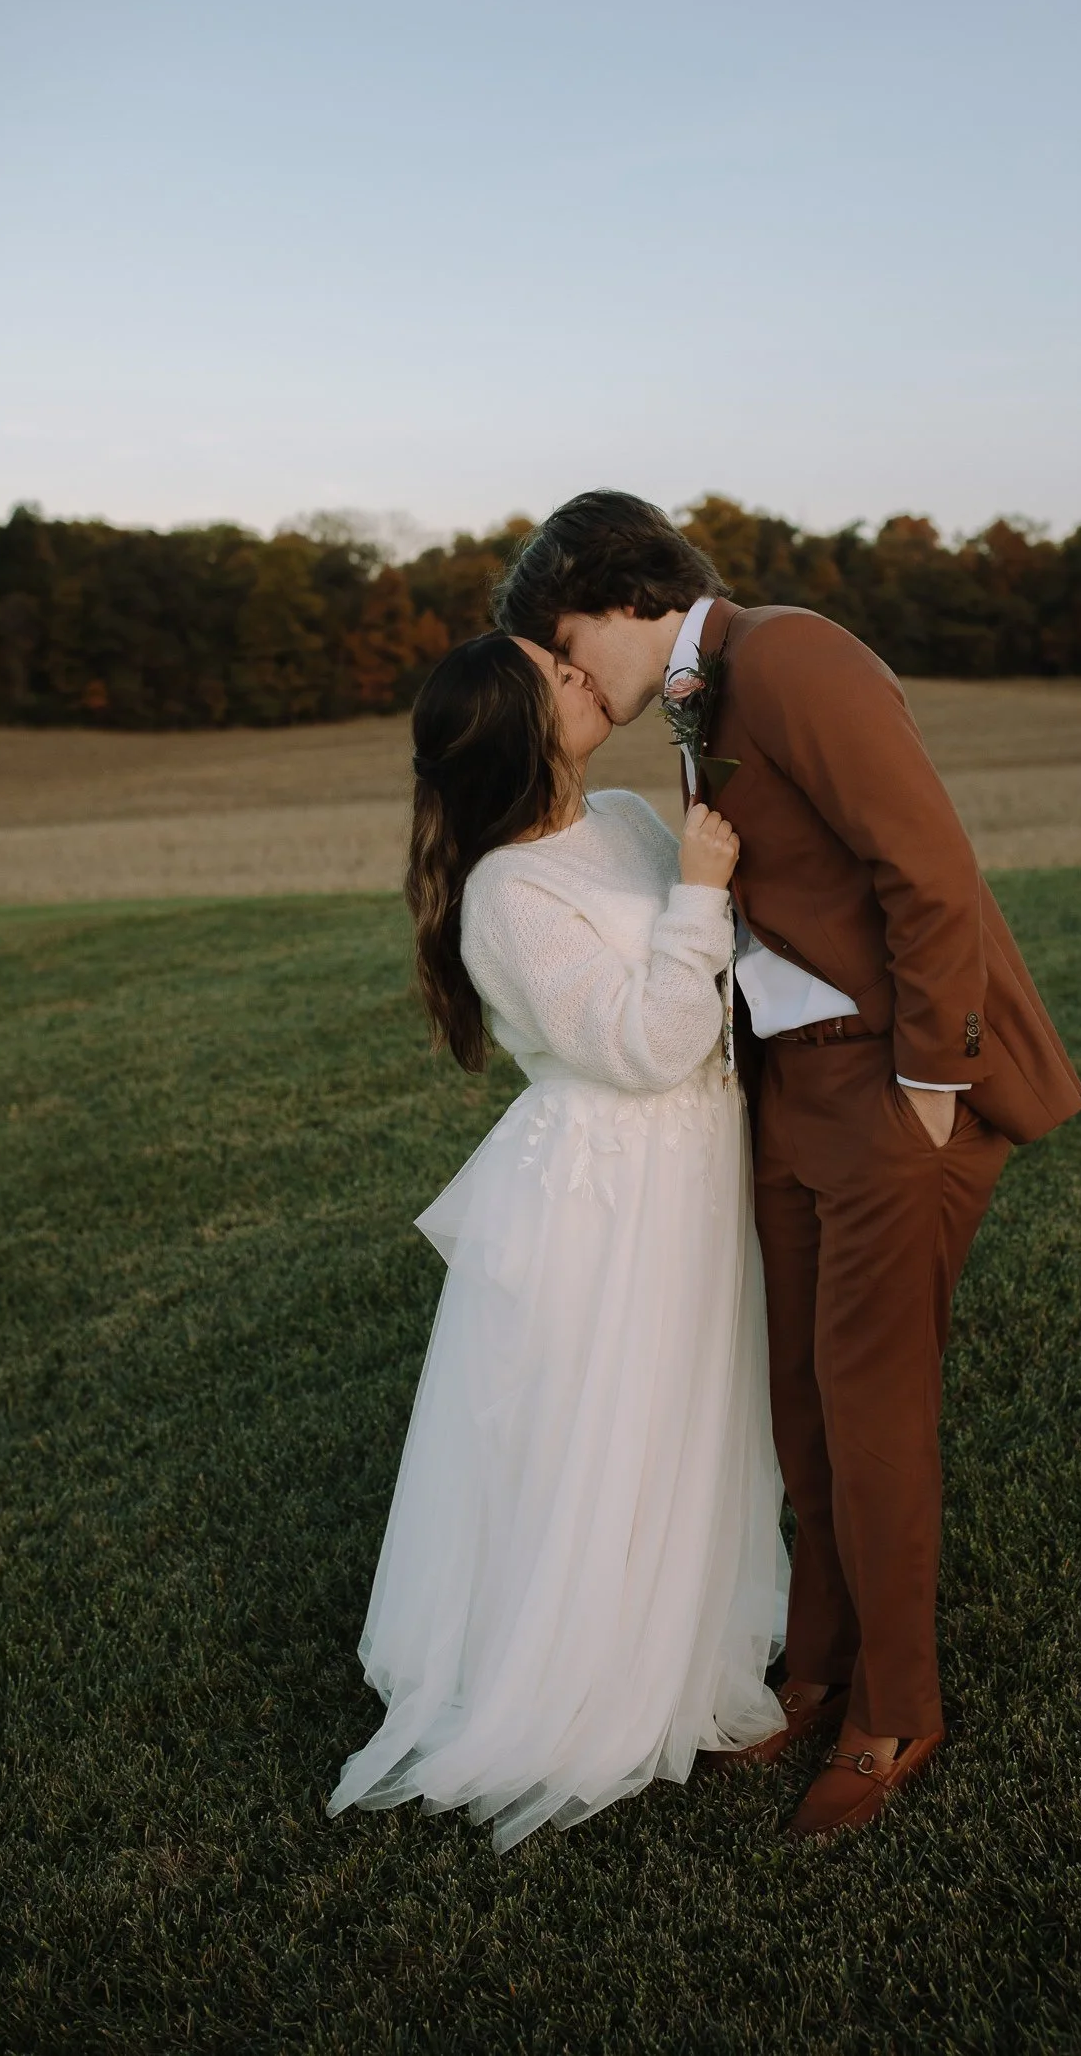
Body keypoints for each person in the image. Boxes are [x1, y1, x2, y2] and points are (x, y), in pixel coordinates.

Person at [495, 490, 1081, 1841]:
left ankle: (901, 1703)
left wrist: (930, 1084)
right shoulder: (702, 699)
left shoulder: (794, 653)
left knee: (875, 1412)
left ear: (623, 587)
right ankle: (815, 1669)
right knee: (800, 1403)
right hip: (792, 1095)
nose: (573, 675)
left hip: (890, 1085)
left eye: (567, 640)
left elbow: (927, 866)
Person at [327, 630, 787, 1852]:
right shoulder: (507, 896)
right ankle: (592, 1672)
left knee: (690, 1405)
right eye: (560, 677)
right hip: (610, 1192)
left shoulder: (632, 814)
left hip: (688, 1168)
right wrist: (698, 891)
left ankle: (689, 1630)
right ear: (525, 731)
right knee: (607, 1423)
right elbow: (647, 1044)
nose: (589, 677)